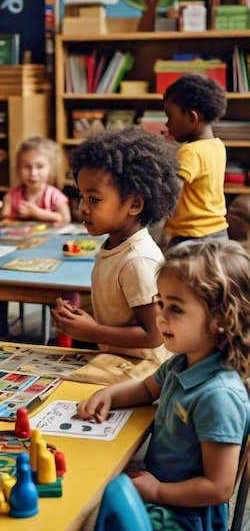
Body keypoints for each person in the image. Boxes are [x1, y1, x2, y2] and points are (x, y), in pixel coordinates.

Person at [76, 240, 250, 531]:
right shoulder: (183, 360)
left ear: (221, 319)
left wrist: (157, 491)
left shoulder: (218, 396)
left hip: (186, 522)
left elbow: (218, 488)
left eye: (176, 308)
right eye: (161, 303)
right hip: (158, 491)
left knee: (83, 526)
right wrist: (109, 395)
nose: (161, 317)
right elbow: (145, 390)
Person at [51, 126, 181, 360]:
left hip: (143, 374)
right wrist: (81, 320)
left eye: (94, 199)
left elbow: (155, 335)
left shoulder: (138, 260)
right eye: (81, 196)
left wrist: (92, 331)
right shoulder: (115, 245)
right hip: (120, 362)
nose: (82, 207)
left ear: (134, 205)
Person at [163, 73, 229, 248]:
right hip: (219, 233)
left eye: (170, 116)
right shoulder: (217, 146)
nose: (166, 124)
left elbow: (171, 192)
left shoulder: (190, 152)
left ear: (192, 118)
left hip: (191, 237)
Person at [1, 136, 71, 224]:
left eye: (40, 166)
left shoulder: (55, 196)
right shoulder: (11, 196)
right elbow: (4, 218)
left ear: (51, 168)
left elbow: (65, 218)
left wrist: (38, 213)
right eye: (27, 167)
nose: (33, 173)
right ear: (18, 168)